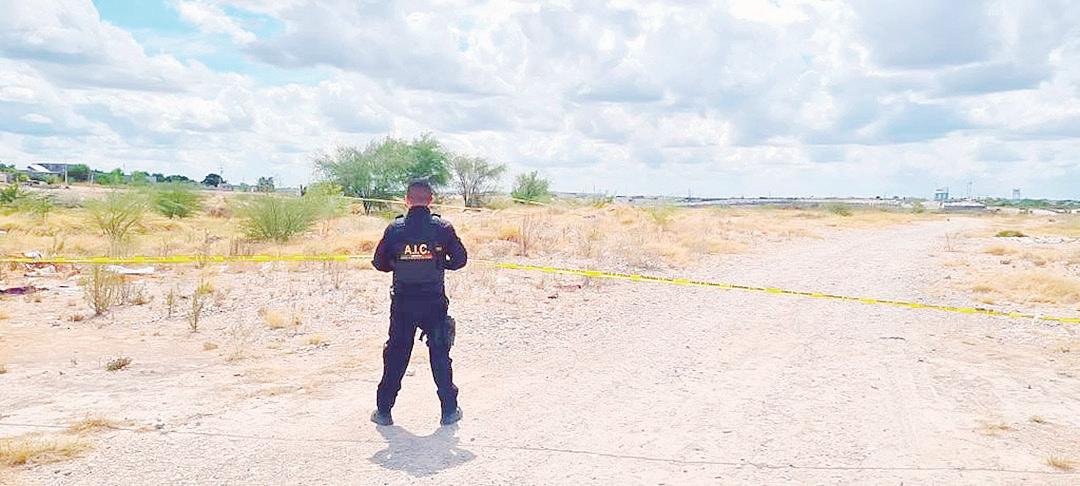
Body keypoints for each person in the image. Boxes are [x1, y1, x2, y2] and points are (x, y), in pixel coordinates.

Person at [370, 179, 467, 426]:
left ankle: (383, 411)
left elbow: (379, 263)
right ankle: (449, 411)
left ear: (407, 200)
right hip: (433, 302)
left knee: (396, 354)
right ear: (430, 200)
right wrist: (439, 262)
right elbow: (460, 260)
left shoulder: (395, 230)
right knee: (440, 354)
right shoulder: (443, 228)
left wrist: (399, 262)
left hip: (403, 302)